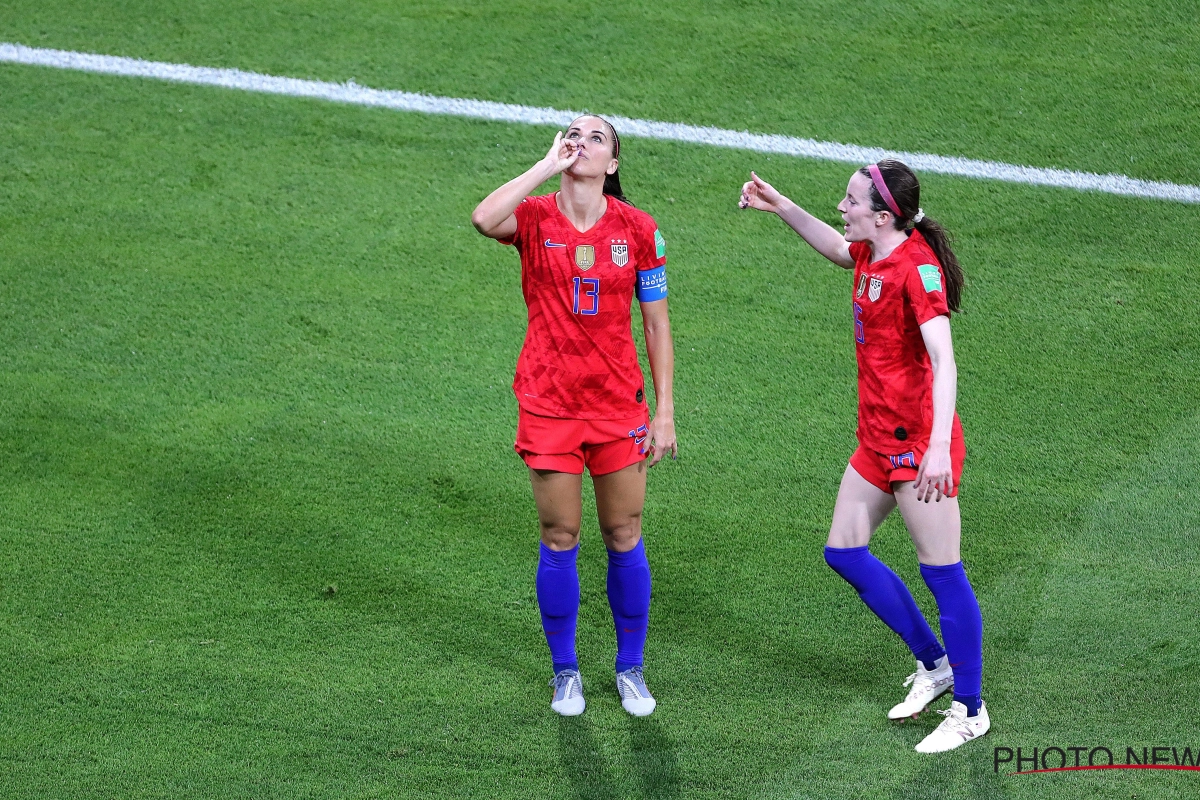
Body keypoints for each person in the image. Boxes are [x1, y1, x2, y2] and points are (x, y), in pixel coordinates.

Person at [738, 160, 988, 753]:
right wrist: (782, 207)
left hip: (917, 447)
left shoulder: (916, 270)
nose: (841, 208)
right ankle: (936, 663)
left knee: (943, 572)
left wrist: (934, 451)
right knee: (844, 552)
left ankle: (971, 709)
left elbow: (944, 361)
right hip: (877, 439)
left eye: (850, 201)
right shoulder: (870, 253)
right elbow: (836, 248)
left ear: (881, 215)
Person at [471, 116, 677, 718]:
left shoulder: (640, 230)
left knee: (624, 535)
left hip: (618, 409)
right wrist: (545, 166)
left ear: (612, 162)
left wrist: (664, 413)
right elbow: (485, 219)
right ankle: (566, 672)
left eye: (594, 139)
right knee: (560, 537)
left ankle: (630, 668)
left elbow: (657, 324)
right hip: (549, 405)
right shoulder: (533, 218)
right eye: (572, 135)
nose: (580, 143)